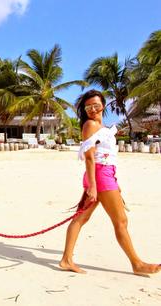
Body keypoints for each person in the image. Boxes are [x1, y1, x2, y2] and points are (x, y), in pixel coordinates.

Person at [59, 89, 160, 275]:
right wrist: (93, 187)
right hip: (99, 177)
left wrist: (114, 182)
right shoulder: (90, 125)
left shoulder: (102, 128)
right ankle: (137, 264)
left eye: (96, 105)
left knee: (81, 218)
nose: (92, 109)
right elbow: (90, 158)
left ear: (103, 106)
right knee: (120, 221)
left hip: (105, 176)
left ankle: (66, 259)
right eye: (88, 106)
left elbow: (105, 158)